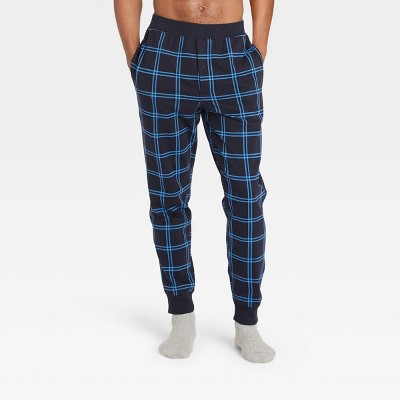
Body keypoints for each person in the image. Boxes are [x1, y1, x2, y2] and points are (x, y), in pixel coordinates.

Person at [114, 0, 275, 363]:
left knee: (246, 197)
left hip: (232, 54)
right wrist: (135, 58)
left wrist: (258, 50)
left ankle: (247, 320)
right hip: (165, 52)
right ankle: (181, 316)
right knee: (168, 194)